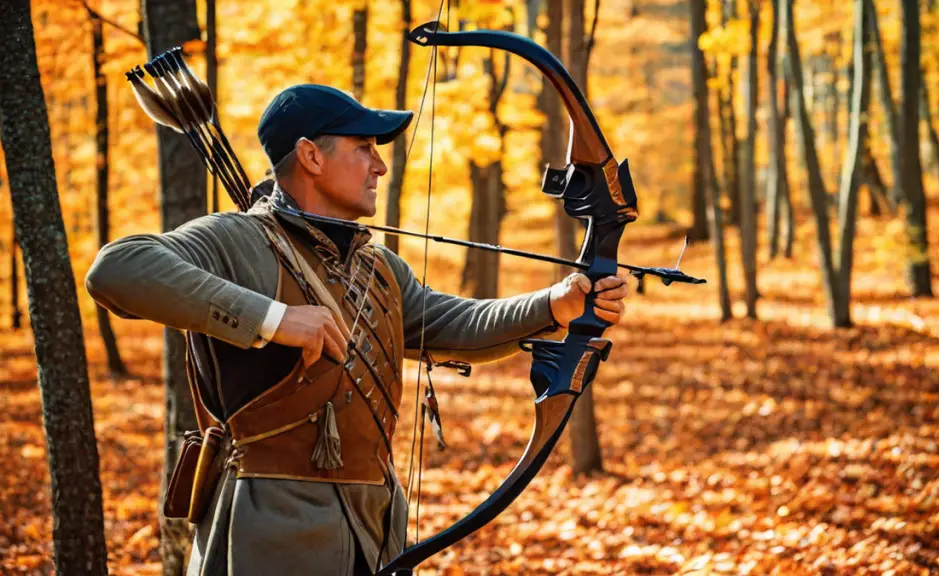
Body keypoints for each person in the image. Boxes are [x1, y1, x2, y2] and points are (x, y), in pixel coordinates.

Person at [86, 84, 630, 575]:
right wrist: (276, 320)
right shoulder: (237, 239)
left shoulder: (378, 267)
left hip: (374, 528)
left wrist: (555, 304)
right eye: (364, 148)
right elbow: (118, 269)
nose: (379, 166)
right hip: (271, 529)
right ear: (311, 156)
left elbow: (455, 322)